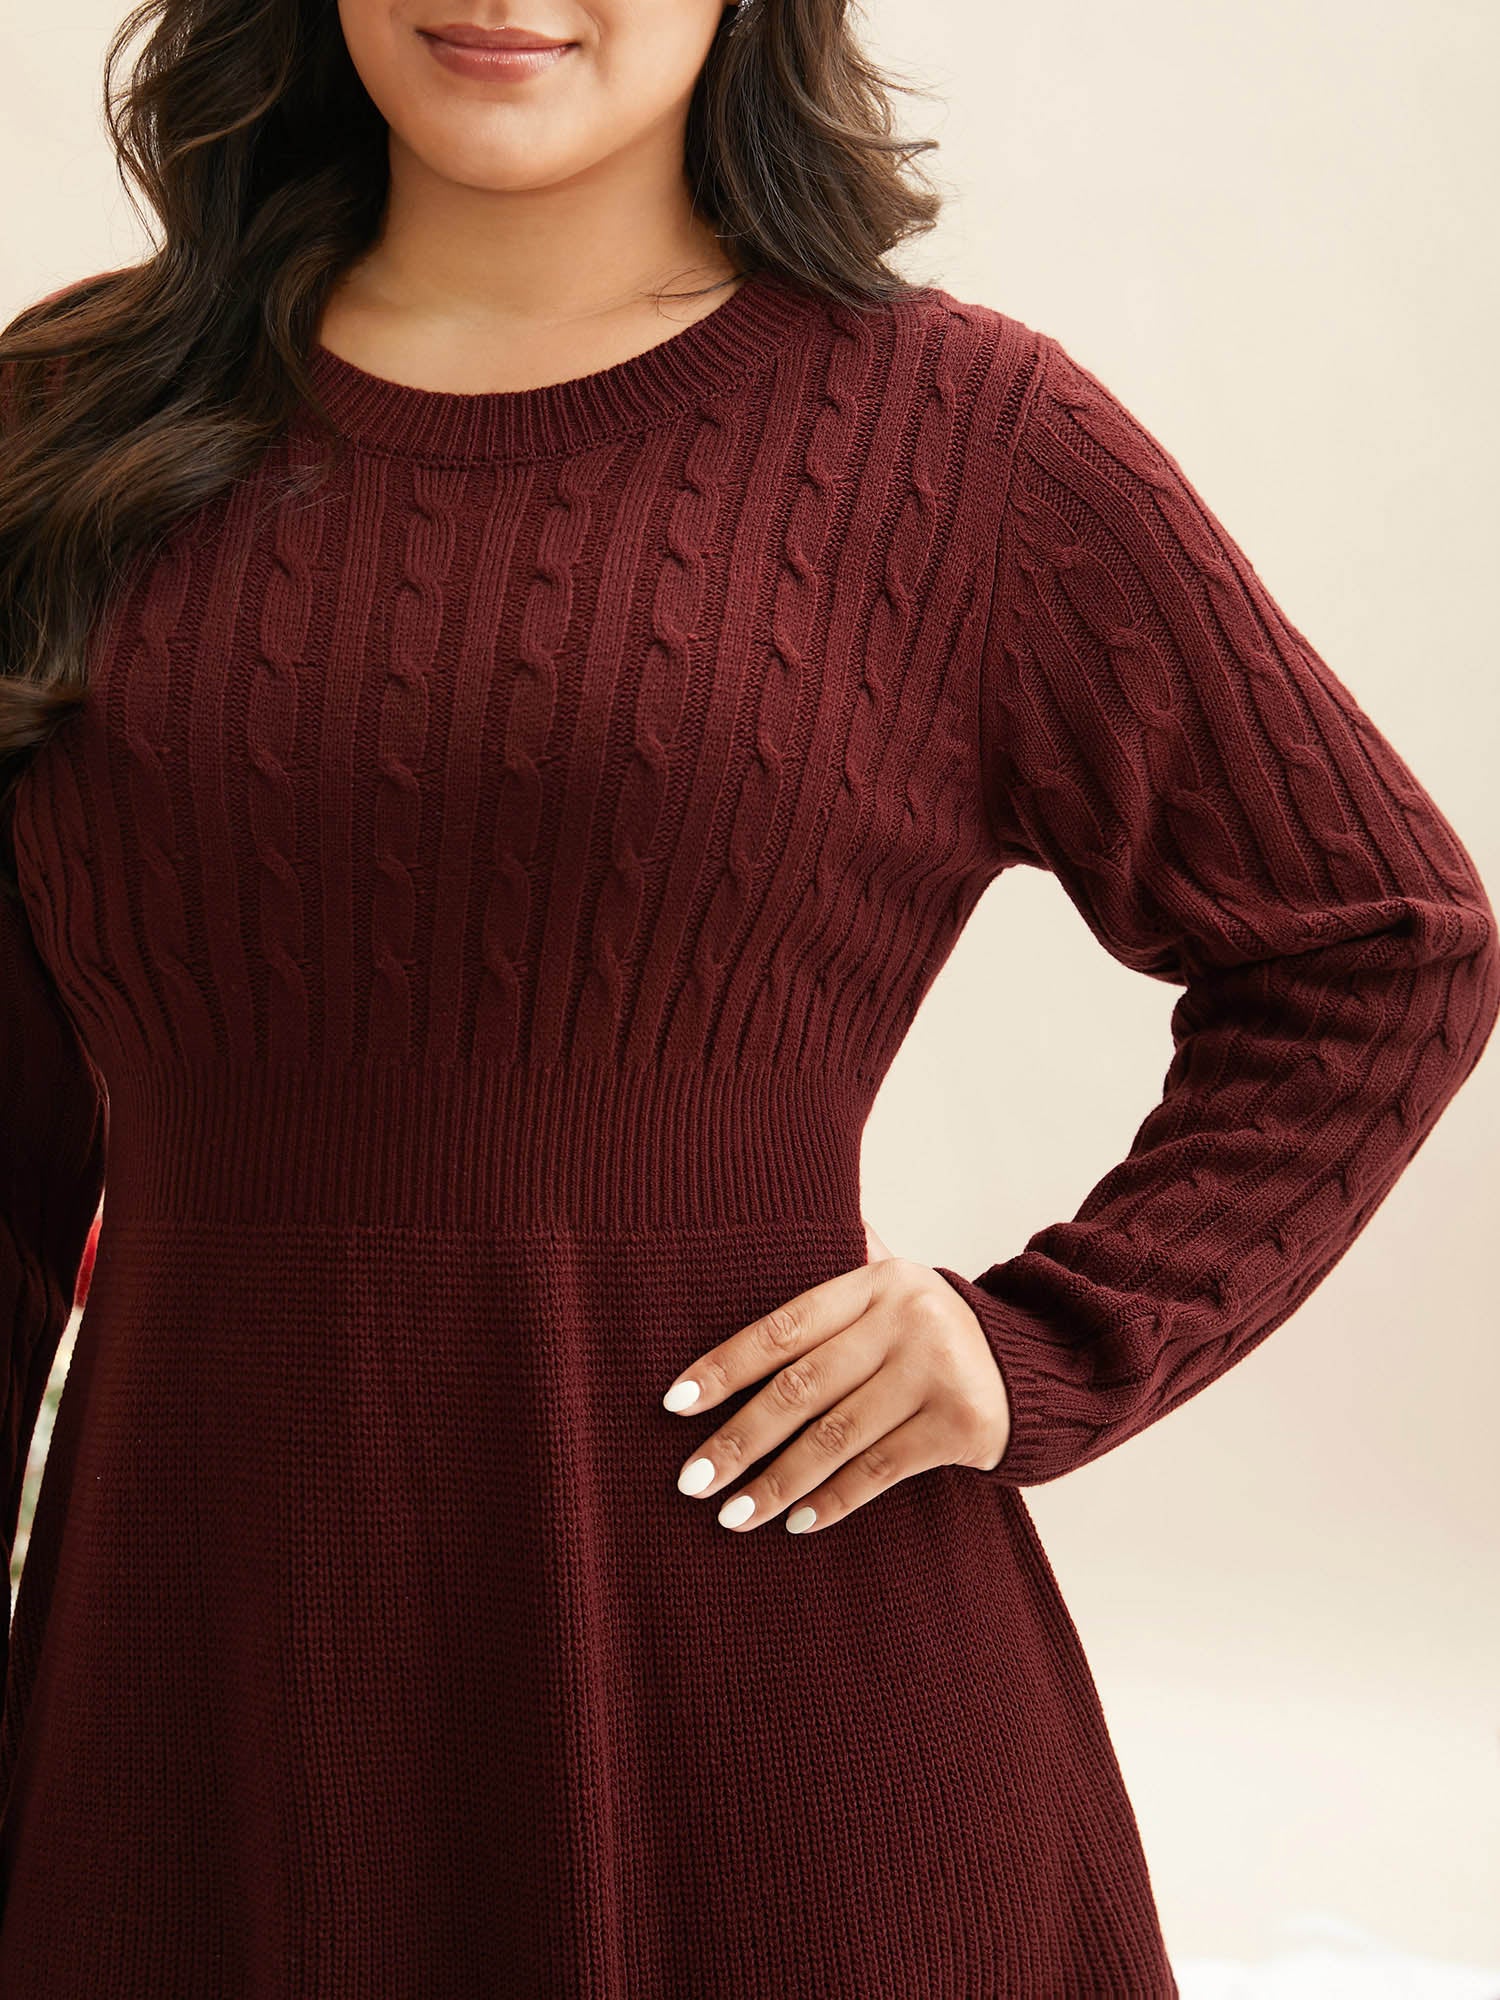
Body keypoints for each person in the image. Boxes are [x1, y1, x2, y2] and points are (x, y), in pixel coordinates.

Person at [1, 1, 1495, 1994]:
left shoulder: (963, 436)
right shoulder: (66, 423)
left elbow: (1384, 938)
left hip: (779, 1726)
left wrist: (1053, 1338)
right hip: (197, 1711)